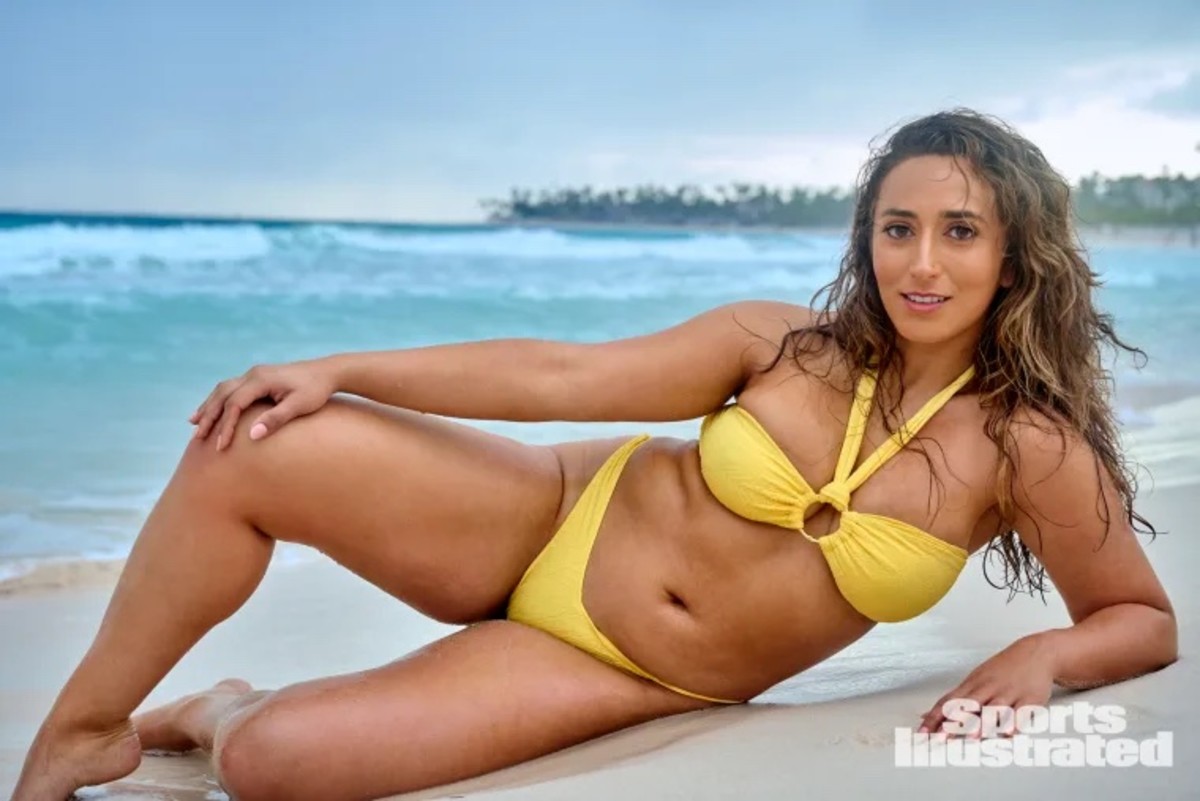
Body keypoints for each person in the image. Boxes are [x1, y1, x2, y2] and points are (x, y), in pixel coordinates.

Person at [13, 108, 1178, 801]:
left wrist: (1044, 657)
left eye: (959, 232)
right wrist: (342, 367)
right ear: (866, 237)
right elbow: (558, 374)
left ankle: (213, 708)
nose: (921, 262)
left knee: (274, 766)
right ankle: (81, 731)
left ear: (1017, 257)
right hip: (552, 514)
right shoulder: (782, 343)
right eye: (897, 227)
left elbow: (1141, 615)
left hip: (625, 669)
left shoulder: (1029, 447)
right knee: (256, 444)